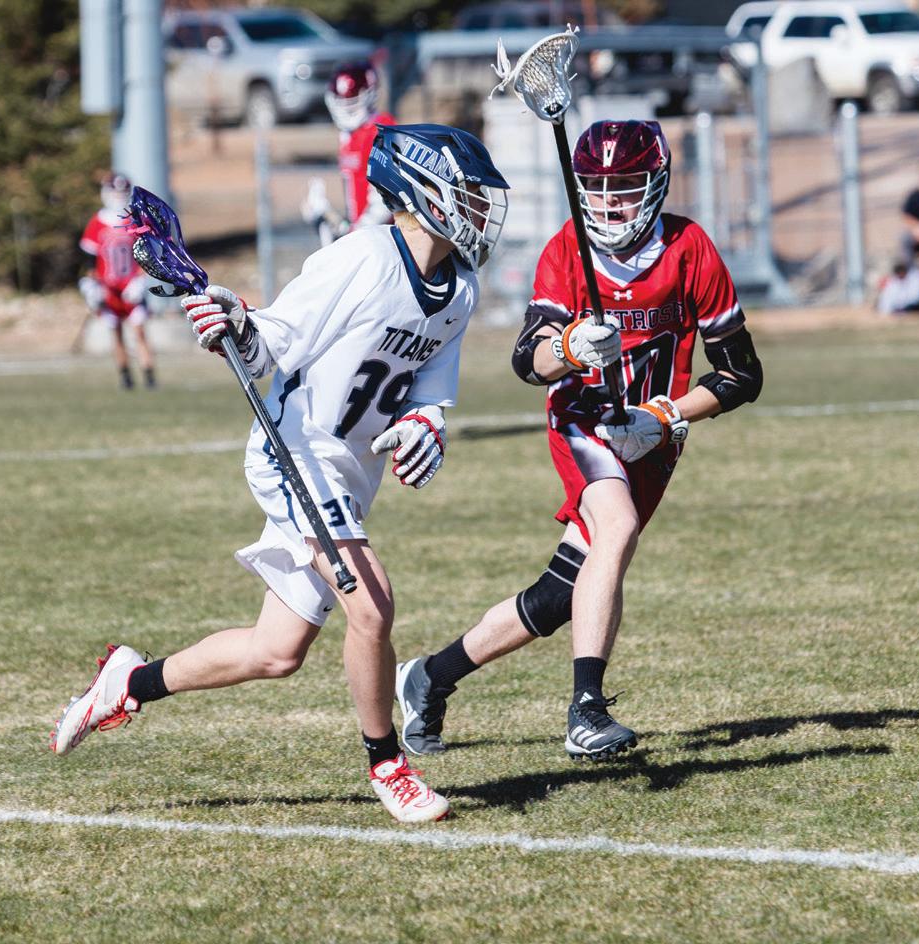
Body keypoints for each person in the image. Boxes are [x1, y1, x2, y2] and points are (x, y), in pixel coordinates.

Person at [50, 124, 510, 823]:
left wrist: (426, 425)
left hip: (350, 473)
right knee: (372, 607)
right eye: (468, 195)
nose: (480, 211)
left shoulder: (461, 290)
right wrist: (235, 322)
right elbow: (271, 346)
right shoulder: (361, 258)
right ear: (423, 193)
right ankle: (388, 765)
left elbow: (428, 388)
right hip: (294, 453)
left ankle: (127, 684)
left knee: (275, 652)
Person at [394, 120, 763, 760]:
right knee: (616, 527)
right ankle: (586, 710)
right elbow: (527, 360)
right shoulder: (567, 248)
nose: (609, 202)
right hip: (581, 419)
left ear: (657, 184)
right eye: (595, 187)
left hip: (651, 436)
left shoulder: (689, 248)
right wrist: (568, 347)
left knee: (561, 593)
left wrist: (667, 418)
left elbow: (741, 375)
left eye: (625, 187)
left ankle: (429, 676)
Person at [302, 60, 396, 246]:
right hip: (364, 232)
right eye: (342, 102)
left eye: (352, 102)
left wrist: (353, 235)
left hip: (384, 237)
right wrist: (328, 217)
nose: (346, 108)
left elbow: (386, 199)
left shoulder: (382, 130)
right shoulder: (348, 135)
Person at [76, 172, 156, 389]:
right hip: (108, 288)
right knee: (117, 333)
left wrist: (141, 281)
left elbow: (146, 256)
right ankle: (125, 376)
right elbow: (89, 261)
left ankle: (149, 376)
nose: (119, 197)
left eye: (122, 192)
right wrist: (91, 287)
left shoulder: (134, 220)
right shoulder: (97, 222)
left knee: (140, 332)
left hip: (131, 285)